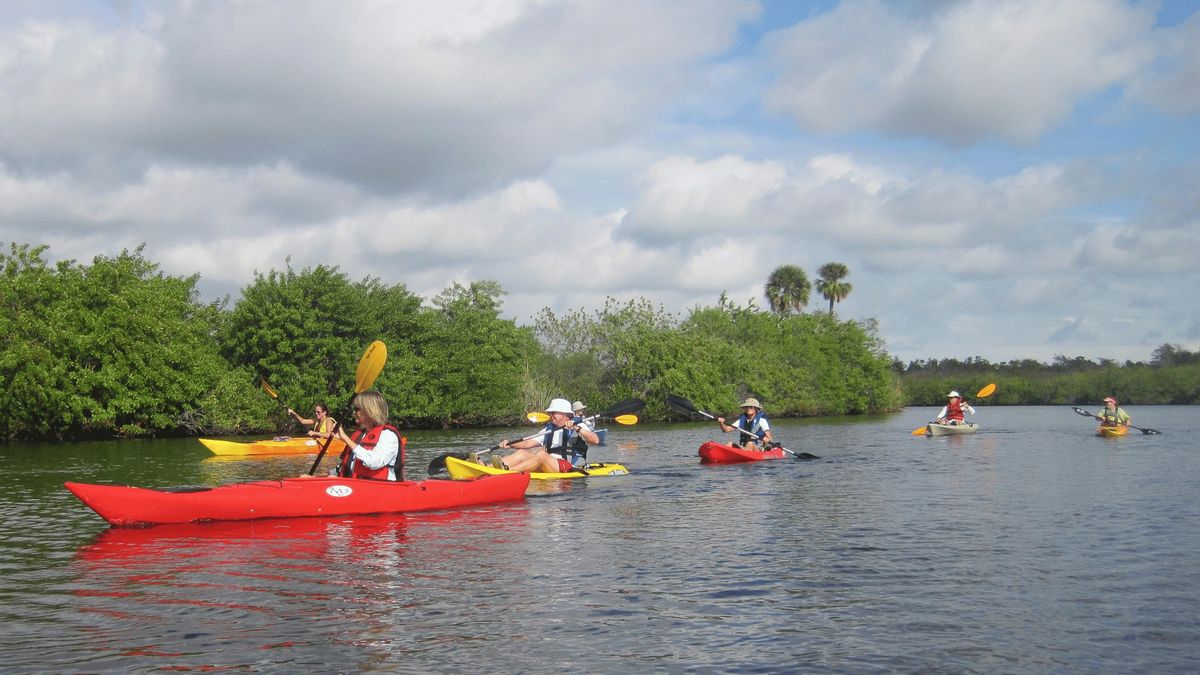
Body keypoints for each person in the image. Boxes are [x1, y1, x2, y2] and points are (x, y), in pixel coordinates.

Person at [496, 398, 599, 472]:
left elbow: (595, 440)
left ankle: (509, 472)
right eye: (550, 413)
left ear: (564, 414)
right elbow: (528, 443)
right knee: (522, 453)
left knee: (541, 454)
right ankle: (489, 467)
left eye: (553, 413)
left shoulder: (578, 425)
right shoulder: (548, 429)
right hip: (550, 464)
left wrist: (576, 428)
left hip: (569, 467)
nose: (551, 415)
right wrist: (510, 444)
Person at [330, 390, 404, 481]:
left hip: (380, 490)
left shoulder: (388, 436)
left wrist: (346, 439)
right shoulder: (360, 435)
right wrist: (325, 477)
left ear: (369, 410)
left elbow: (373, 462)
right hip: (355, 487)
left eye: (357, 409)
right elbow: (348, 466)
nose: (354, 413)